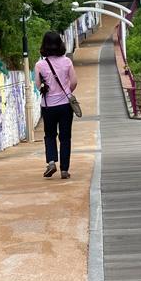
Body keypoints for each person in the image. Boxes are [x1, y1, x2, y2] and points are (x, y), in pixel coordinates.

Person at [35, 31, 78, 179]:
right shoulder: (67, 61)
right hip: (65, 105)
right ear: (60, 44)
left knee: (50, 135)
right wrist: (66, 92)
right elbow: (74, 82)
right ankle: (64, 170)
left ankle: (52, 161)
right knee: (65, 137)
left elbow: (37, 85)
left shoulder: (40, 65)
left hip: (48, 107)